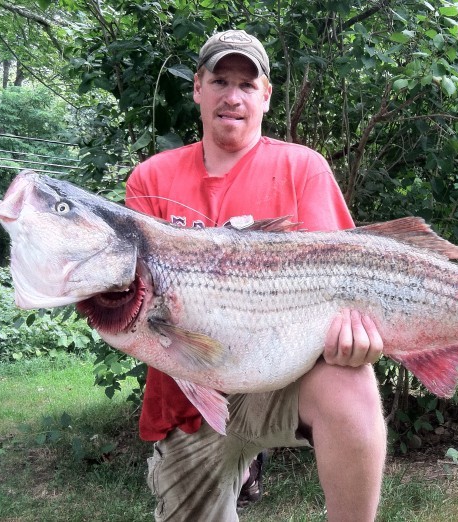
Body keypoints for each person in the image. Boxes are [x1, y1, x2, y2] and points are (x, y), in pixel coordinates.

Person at [125, 29, 387, 521]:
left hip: (279, 384)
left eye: (247, 84)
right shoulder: (151, 179)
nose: (233, 96)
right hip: (185, 399)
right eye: (220, 80)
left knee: (350, 380)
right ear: (197, 87)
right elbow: (135, 305)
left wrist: (355, 332)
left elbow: (344, 282)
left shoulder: (301, 168)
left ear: (266, 96)